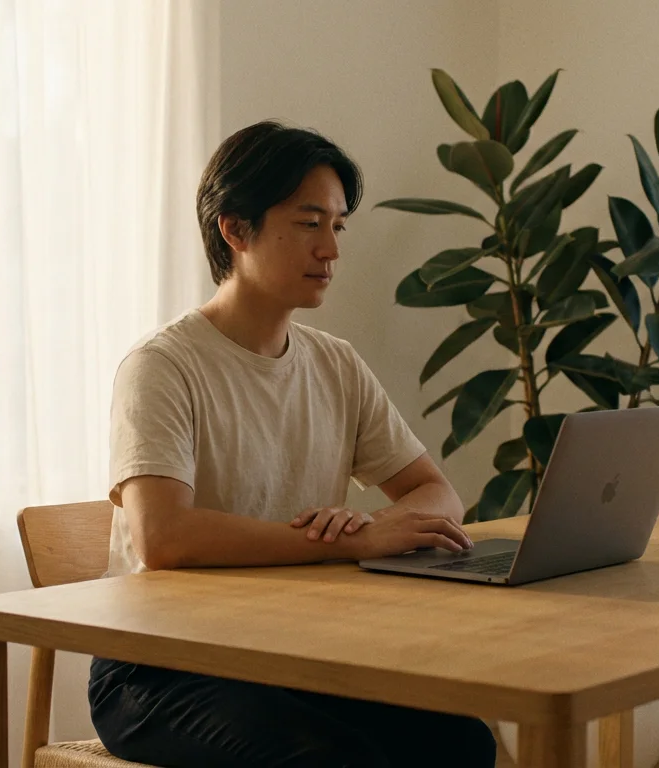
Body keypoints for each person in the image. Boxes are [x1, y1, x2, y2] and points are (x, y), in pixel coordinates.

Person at [88, 120, 496, 767]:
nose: (331, 249)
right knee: (321, 760)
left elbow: (438, 493)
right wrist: (347, 541)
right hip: (159, 666)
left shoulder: (334, 363)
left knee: (461, 740)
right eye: (310, 223)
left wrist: (374, 522)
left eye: (338, 226)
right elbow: (161, 538)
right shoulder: (162, 366)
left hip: (294, 656)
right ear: (235, 229)